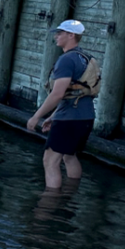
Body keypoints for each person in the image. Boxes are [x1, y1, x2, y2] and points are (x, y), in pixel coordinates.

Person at [26, 19, 98, 189]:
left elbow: (58, 93)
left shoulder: (66, 60)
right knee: (69, 156)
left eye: (60, 33)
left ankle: (48, 205)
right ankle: (69, 194)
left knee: (50, 161)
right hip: (85, 117)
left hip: (69, 119)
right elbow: (73, 93)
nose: (56, 36)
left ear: (71, 35)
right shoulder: (85, 58)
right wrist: (53, 116)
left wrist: (36, 117)